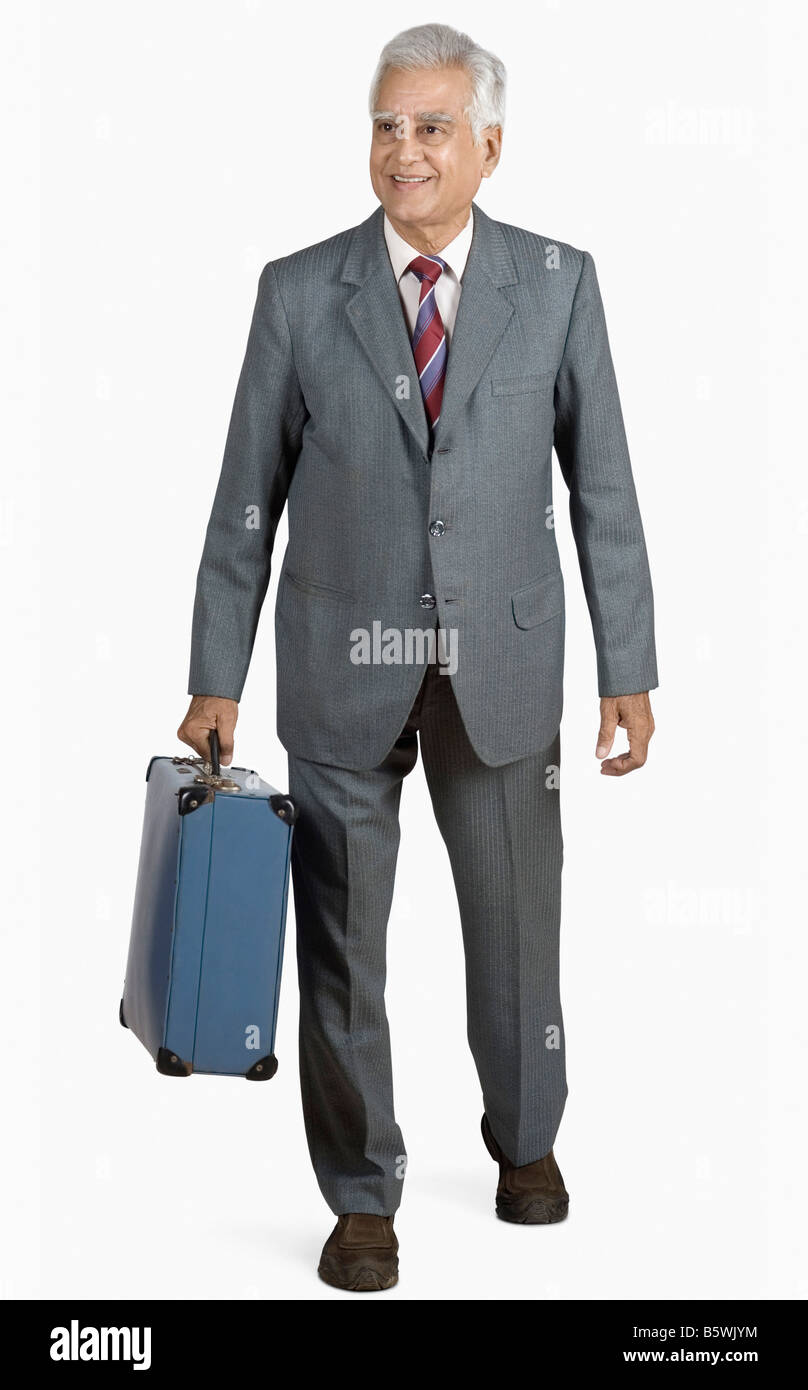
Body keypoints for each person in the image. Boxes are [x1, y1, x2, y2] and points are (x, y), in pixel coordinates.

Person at [178, 22, 657, 1292]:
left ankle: (525, 1141)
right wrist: (215, 675)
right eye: (387, 126)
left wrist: (629, 666)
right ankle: (359, 1194)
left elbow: (602, 489)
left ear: (490, 145)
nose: (404, 152)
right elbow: (245, 501)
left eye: (433, 127)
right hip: (339, 667)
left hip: (501, 671)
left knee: (516, 937)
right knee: (340, 945)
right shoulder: (298, 290)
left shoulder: (558, 283)